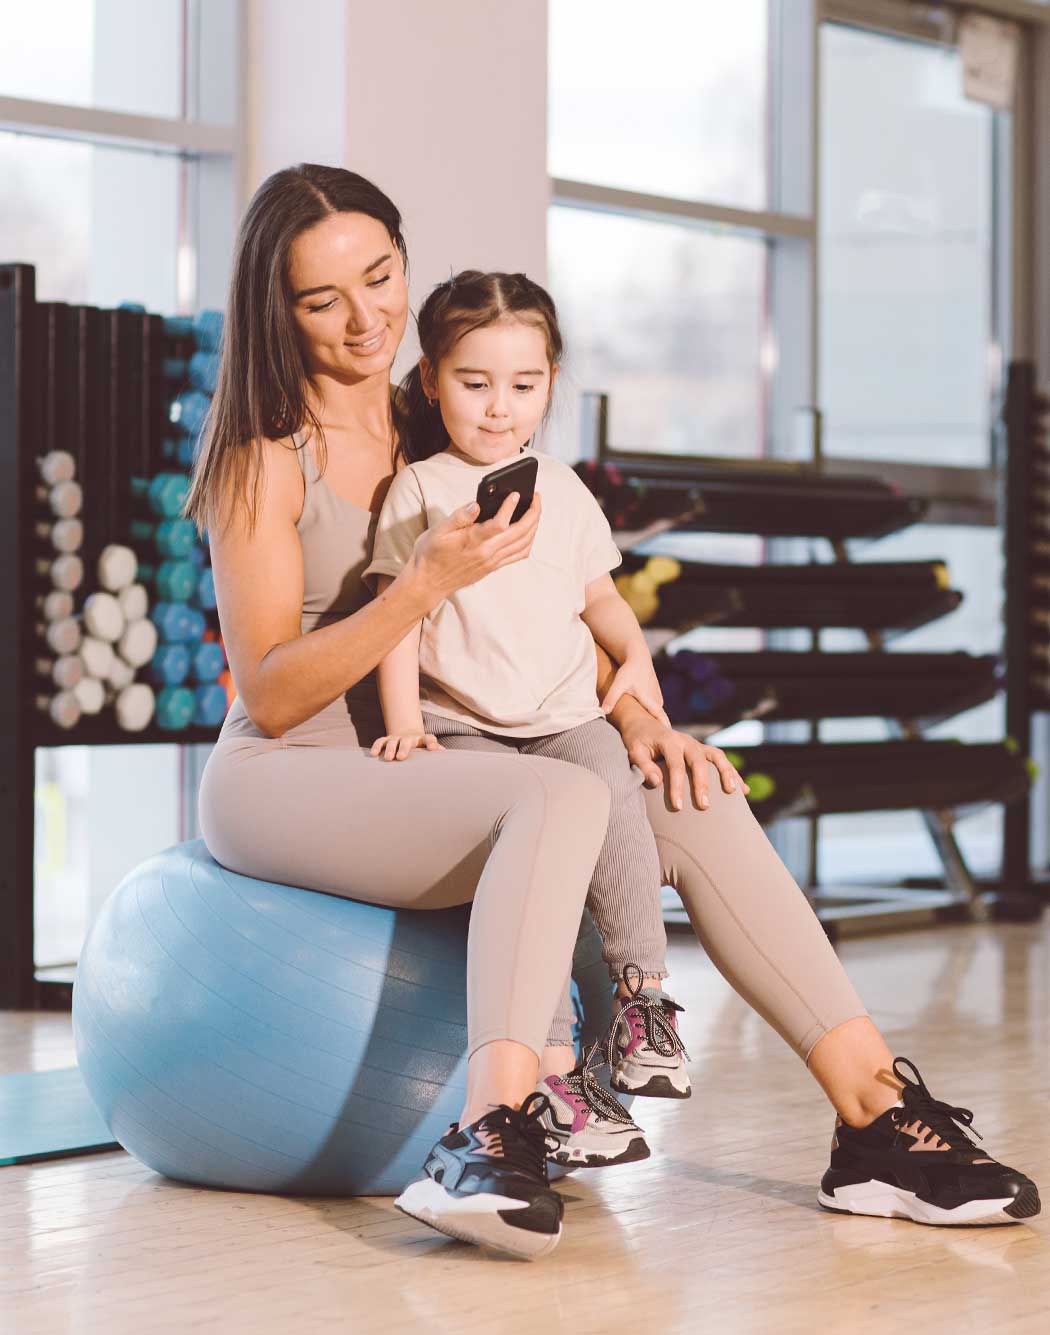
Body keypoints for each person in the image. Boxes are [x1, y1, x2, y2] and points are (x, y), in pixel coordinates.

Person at [188, 163, 1040, 1261]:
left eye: (382, 277)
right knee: (551, 795)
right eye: (322, 301)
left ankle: (877, 1119)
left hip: (456, 754)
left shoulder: (448, 418)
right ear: (277, 310)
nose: (366, 319)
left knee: (698, 797)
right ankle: (487, 1133)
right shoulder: (265, 457)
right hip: (290, 776)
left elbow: (558, 610)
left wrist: (638, 714)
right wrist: (419, 586)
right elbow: (268, 686)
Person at [364, 269, 692, 1175]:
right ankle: (550, 1074)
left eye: (525, 385)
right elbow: (398, 616)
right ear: (431, 380)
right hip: (466, 728)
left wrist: (637, 666)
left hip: (563, 715)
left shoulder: (567, 488)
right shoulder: (418, 490)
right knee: (539, 870)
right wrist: (403, 722)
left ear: (551, 382)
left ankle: (642, 1002)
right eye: (475, 384)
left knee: (616, 796)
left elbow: (600, 600)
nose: (501, 409)